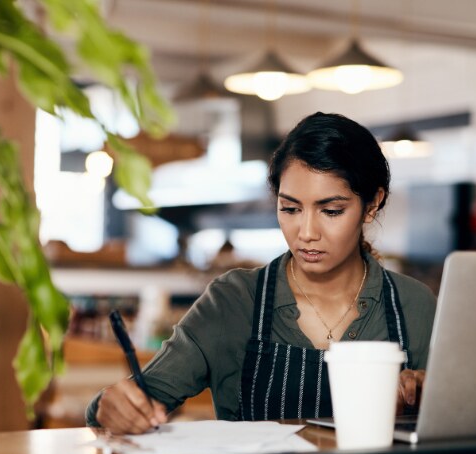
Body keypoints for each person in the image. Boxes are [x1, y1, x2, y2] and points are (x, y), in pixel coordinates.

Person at [87, 112, 437, 434]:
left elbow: (468, 420)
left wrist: (429, 398)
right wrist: (113, 407)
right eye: (290, 208)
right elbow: (137, 400)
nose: (307, 232)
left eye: (331, 210)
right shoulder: (234, 301)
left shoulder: (414, 306)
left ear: (372, 204)